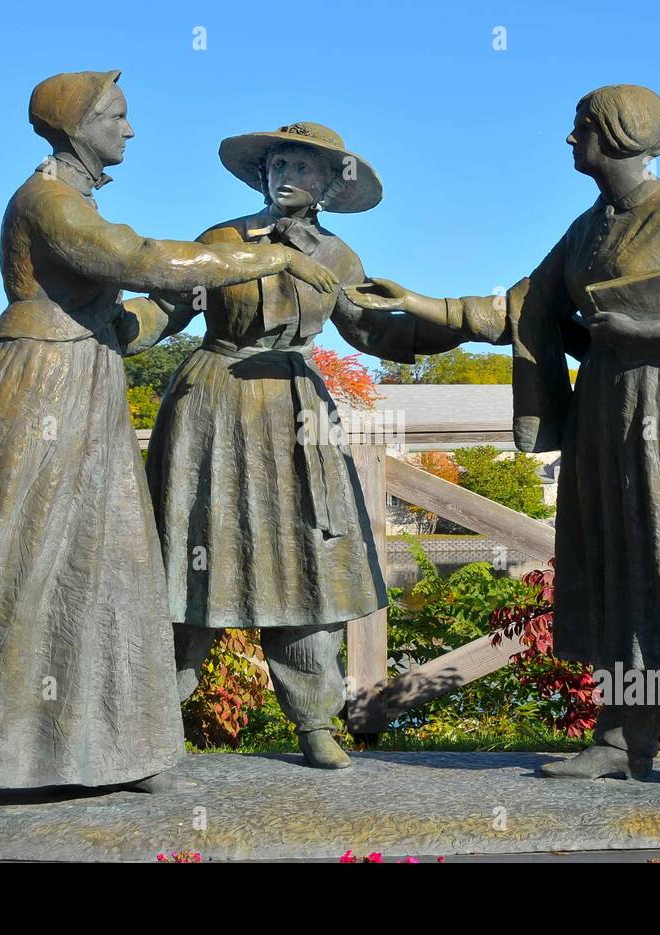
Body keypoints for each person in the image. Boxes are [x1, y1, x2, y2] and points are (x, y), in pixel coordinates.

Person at [0, 72, 338, 806]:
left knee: (104, 570)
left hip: (87, 384)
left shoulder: (75, 197)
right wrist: (269, 255)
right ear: (77, 126)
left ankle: (112, 745)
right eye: (118, 117)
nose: (129, 130)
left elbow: (136, 297)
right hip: (34, 388)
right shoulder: (49, 201)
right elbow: (137, 259)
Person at [345, 85, 660, 803]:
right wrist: (423, 305)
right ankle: (623, 741)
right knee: (626, 585)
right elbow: (521, 308)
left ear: (617, 134)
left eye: (579, 127)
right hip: (612, 432)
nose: (568, 139)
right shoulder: (588, 231)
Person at [145, 122, 440, 769]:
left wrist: (451, 321)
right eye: (278, 162)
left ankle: (313, 720)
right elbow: (168, 309)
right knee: (186, 564)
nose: (286, 174)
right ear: (261, 172)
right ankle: (153, 721)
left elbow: (374, 332)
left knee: (309, 561)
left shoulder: (337, 258)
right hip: (212, 411)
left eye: (304, 167)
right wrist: (99, 326)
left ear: (330, 185)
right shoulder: (222, 240)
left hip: (295, 415)